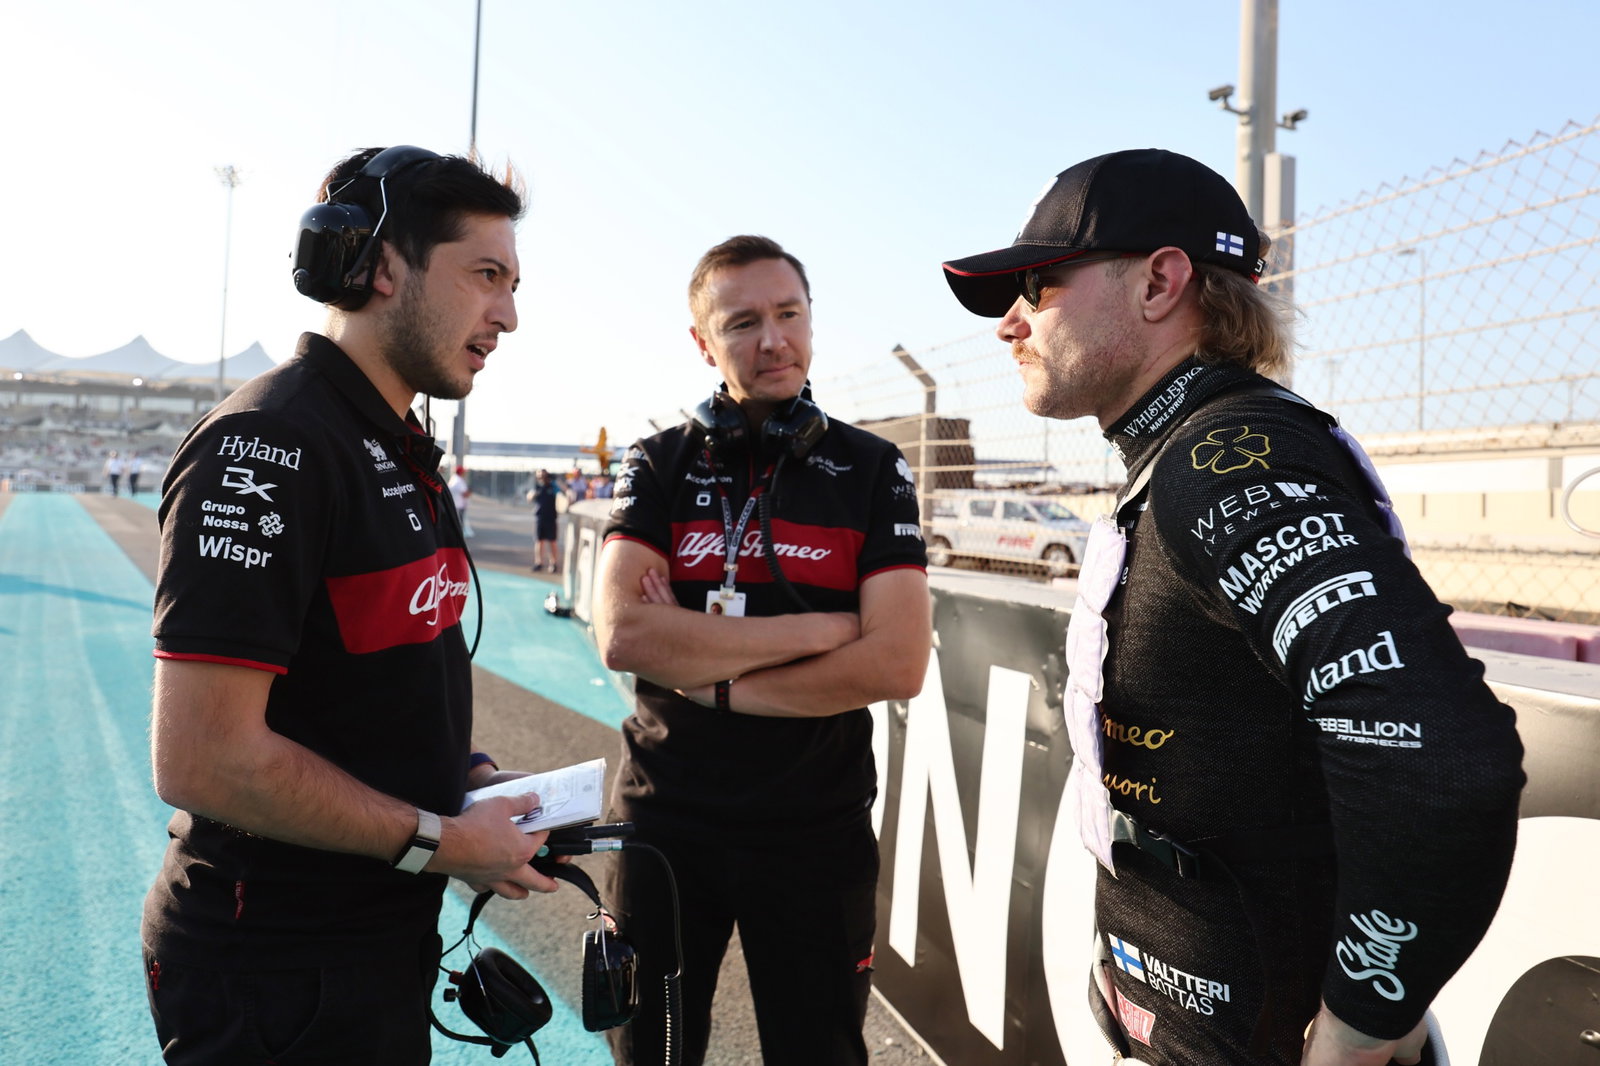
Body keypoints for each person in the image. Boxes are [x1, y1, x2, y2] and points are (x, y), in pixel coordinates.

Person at [941, 149, 1525, 1066]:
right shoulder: (1186, 454)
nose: (1009, 324)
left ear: (1160, 282)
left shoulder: (1233, 460)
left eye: (1040, 285)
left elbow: (1442, 761)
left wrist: (1358, 1029)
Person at [143, 144, 557, 1065]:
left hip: (371, 940)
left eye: (515, 282)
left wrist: (473, 780)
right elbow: (202, 759)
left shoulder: (399, 445)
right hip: (274, 965)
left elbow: (374, 685)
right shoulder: (269, 441)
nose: (510, 315)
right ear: (375, 266)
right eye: (486, 275)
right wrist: (445, 840)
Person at [593, 235, 933, 1066]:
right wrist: (817, 633)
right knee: (654, 1056)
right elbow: (626, 635)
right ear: (703, 343)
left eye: (789, 315)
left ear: (811, 322)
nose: (772, 340)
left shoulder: (873, 468)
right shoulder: (658, 464)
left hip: (816, 831)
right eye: (742, 322)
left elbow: (896, 663)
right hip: (664, 822)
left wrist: (711, 676)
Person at [526, 467, 559, 572]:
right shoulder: (536, 487)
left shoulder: (552, 486)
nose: (542, 477)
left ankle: (553, 563)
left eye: (544, 475)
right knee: (539, 541)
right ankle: (538, 562)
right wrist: (534, 493)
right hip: (540, 517)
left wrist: (554, 481)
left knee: (552, 541)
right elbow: (529, 498)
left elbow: (562, 491)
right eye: (539, 475)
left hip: (551, 517)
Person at [448, 463, 474, 536]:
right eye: (464, 472)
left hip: (457, 504)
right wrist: (470, 492)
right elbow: (465, 494)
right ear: (461, 472)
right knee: (459, 522)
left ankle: (458, 534)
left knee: (459, 521)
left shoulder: (454, 478)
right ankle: (458, 535)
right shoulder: (458, 481)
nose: (465, 473)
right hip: (458, 505)